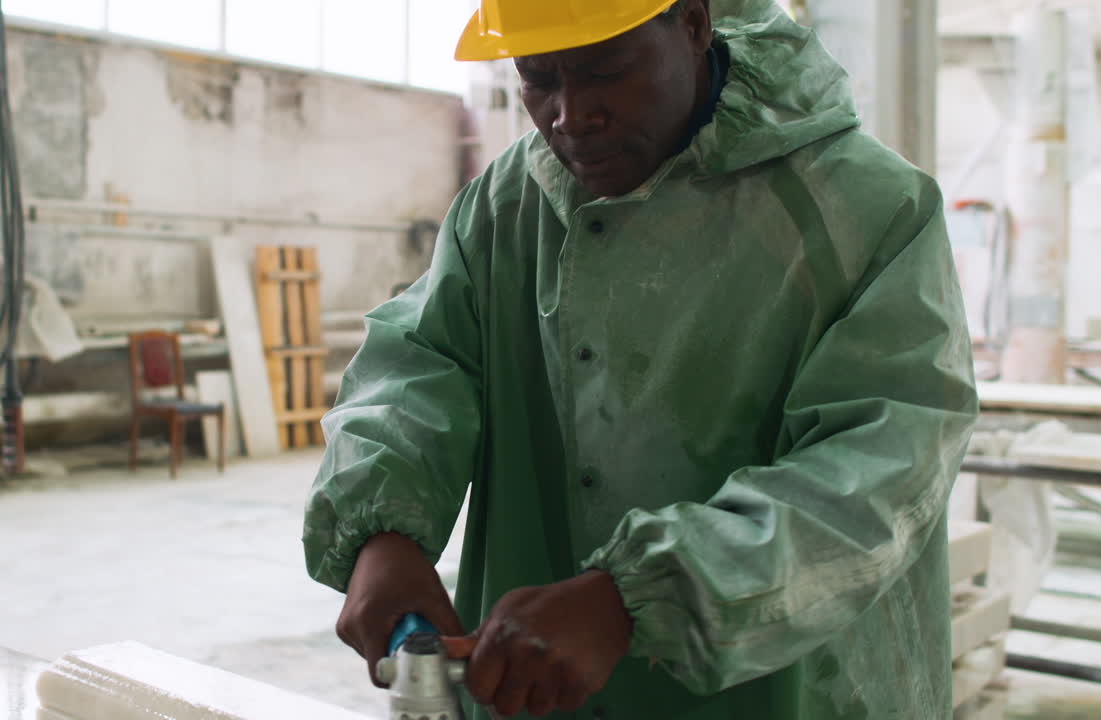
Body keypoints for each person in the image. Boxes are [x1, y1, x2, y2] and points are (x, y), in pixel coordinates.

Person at [303, 0, 978, 717]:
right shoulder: (507, 205)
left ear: (692, 24)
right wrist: (381, 529)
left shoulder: (865, 212)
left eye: (604, 71)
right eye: (538, 78)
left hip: (791, 690)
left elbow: (882, 468)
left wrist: (644, 597)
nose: (570, 115)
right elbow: (418, 361)